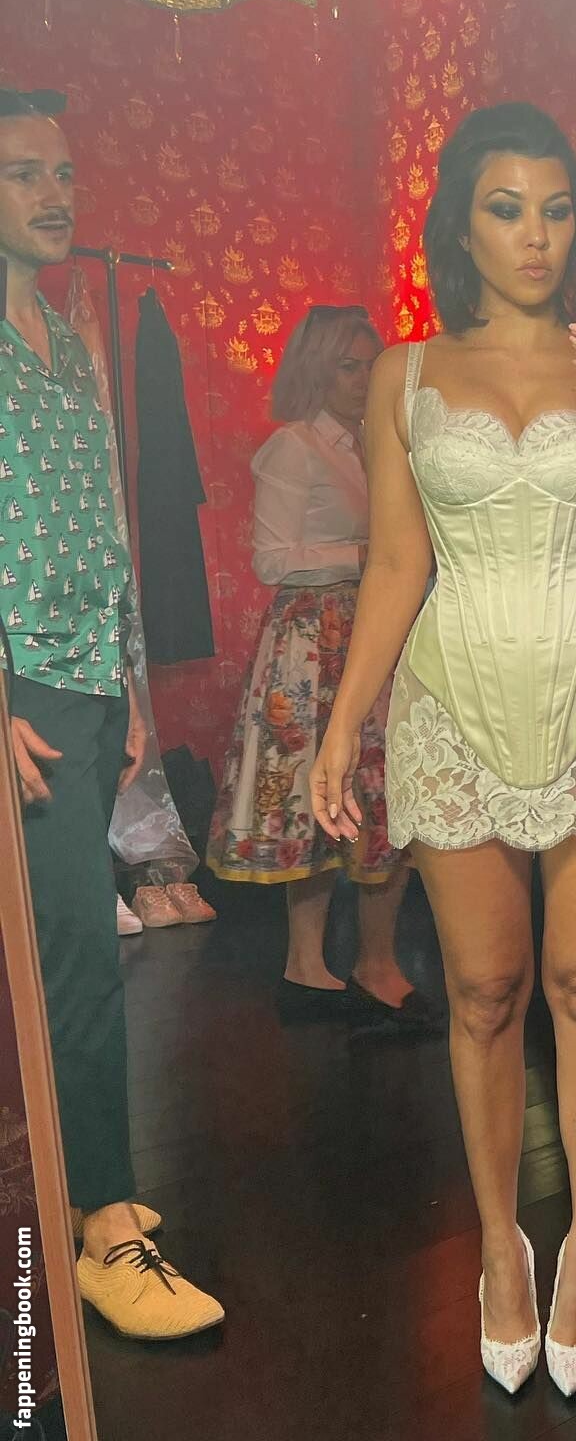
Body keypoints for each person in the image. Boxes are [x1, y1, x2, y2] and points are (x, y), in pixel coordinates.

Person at [310, 103, 576, 1395]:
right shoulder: (406, 376)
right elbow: (395, 562)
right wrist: (345, 724)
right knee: (484, 992)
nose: (536, 235)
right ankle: (502, 1244)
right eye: (507, 208)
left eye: (556, 208)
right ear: (464, 226)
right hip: (452, 703)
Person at [0, 85, 223, 1338]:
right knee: (77, 954)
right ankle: (97, 1230)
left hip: (88, 687)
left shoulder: (72, 342)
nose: (55, 195)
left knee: (75, 956)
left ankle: (93, 1194)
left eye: (63, 172)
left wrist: (133, 682)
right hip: (20, 697)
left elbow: (106, 522)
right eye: (24, 173)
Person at [208, 306, 441, 1031]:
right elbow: (272, 560)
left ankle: (376, 962)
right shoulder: (294, 447)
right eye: (347, 366)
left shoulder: (383, 442)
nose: (362, 379)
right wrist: (367, 557)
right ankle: (306, 967)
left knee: (384, 789)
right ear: (315, 370)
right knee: (309, 798)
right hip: (313, 638)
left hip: (376, 626)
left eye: (370, 365)